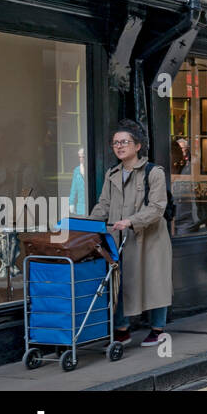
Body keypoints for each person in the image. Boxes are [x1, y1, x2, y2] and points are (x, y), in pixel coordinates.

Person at [89, 120, 172, 347]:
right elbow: (103, 205)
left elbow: (156, 208)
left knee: (154, 281)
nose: (119, 146)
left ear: (138, 146)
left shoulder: (154, 172)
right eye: (115, 143)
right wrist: (85, 224)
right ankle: (122, 330)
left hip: (150, 238)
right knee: (119, 281)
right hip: (119, 238)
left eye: (124, 142)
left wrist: (132, 221)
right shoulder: (111, 174)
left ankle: (157, 329)